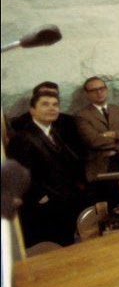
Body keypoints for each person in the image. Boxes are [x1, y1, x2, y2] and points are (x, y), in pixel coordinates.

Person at [7, 92, 87, 248]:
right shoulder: (23, 138)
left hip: (63, 202)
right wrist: (42, 198)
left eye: (55, 105)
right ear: (32, 110)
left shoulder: (54, 133)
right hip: (43, 209)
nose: (52, 108)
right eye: (45, 104)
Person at [75, 76, 119, 181]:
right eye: (93, 90)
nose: (99, 92)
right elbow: (94, 141)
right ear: (87, 94)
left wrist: (109, 134)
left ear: (106, 89)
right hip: (100, 164)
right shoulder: (82, 115)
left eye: (102, 88)